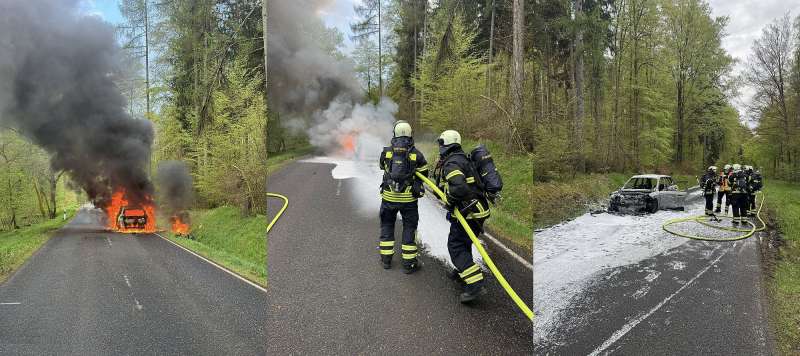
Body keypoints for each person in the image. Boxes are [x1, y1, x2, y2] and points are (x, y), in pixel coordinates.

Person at [435, 130, 491, 303]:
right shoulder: (462, 158)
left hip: (469, 212)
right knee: (464, 241)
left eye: (442, 143)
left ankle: (475, 285)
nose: (440, 147)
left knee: (456, 245)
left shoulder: (452, 162)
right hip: (477, 209)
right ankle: (463, 272)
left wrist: (450, 201)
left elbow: (459, 188)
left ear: (448, 144)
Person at [378, 121, 429, 273]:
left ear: (394, 134)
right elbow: (425, 172)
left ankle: (386, 260)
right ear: (410, 134)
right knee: (409, 228)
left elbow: (382, 166)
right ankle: (409, 264)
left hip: (388, 198)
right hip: (409, 201)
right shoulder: (416, 154)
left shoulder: (387, 151)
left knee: (387, 225)